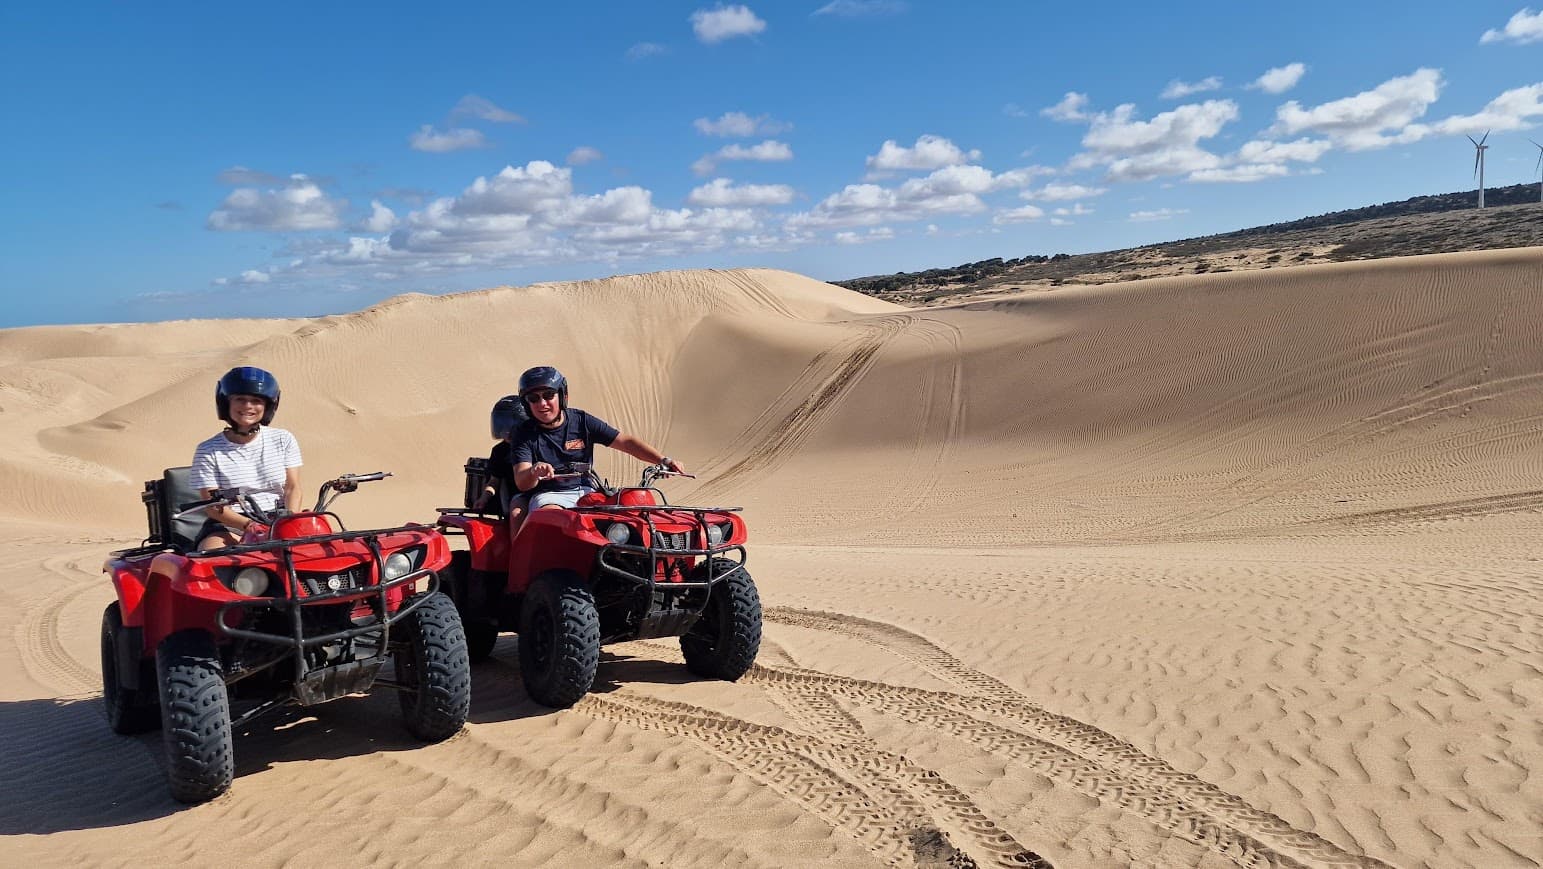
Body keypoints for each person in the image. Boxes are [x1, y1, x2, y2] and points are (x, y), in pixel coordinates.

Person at [511, 365, 685, 512]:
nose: (542, 403)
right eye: (533, 398)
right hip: (549, 497)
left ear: (562, 396)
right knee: (553, 519)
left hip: (589, 493)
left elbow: (625, 442)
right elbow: (522, 481)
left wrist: (663, 459)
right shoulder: (524, 433)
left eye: (549, 395)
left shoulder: (581, 421)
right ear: (527, 404)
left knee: (631, 512)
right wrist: (534, 471)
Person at [188, 366, 303, 550]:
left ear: (267, 406)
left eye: (256, 400)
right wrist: (250, 526)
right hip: (232, 525)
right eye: (240, 399)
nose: (248, 406)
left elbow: (292, 487)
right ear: (226, 403)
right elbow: (213, 507)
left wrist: (289, 520)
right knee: (213, 556)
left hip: (279, 519)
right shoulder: (208, 450)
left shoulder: (283, 439)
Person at [473, 395, 527, 521]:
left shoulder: (537, 444)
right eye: (501, 424)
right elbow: (494, 482)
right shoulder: (499, 451)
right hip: (516, 499)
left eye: (509, 425)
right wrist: (484, 498)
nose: (505, 430)